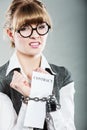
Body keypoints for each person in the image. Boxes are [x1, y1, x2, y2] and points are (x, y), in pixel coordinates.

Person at [0, 0, 76, 129]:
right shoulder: (2, 80)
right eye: (24, 28)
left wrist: (47, 95)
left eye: (41, 27)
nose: (35, 35)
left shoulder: (63, 75)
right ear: (11, 33)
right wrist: (28, 100)